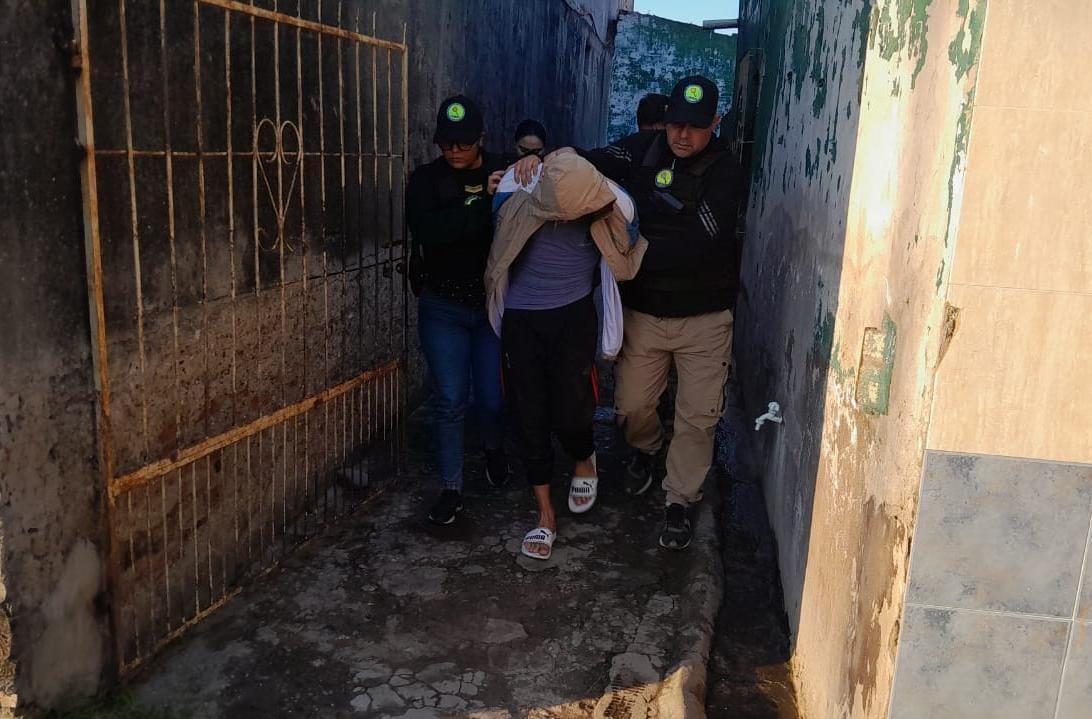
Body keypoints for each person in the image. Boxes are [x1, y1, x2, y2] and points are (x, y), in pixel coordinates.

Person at [513, 76, 743, 551]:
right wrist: (544, 159)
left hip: (704, 318)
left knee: (698, 417)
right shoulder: (642, 149)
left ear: (715, 123)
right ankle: (647, 449)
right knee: (632, 407)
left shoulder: (726, 170)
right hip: (646, 313)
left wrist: (631, 245)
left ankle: (679, 501)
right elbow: (589, 161)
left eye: (695, 127)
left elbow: (703, 240)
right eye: (676, 124)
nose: (682, 135)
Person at [486, 149, 645, 560]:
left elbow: (629, 236)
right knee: (528, 416)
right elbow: (496, 215)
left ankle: (583, 457)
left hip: (572, 317)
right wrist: (524, 166)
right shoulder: (520, 193)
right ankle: (545, 515)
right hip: (522, 320)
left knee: (573, 410)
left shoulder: (608, 202)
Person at [405, 95, 510, 526]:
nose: (453, 151)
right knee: (449, 400)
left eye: (463, 143)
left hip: (489, 306)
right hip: (443, 306)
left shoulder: (503, 169)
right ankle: (451, 488)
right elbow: (433, 231)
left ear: (481, 138)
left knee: (492, 398)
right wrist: (482, 203)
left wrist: (528, 166)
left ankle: (493, 448)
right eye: (446, 142)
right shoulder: (425, 180)